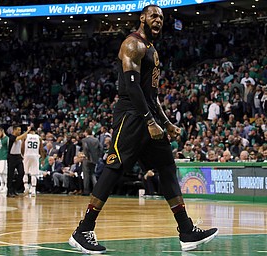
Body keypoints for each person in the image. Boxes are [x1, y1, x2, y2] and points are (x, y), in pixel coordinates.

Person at [69, 5, 218, 254]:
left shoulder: (152, 50)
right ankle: (83, 229)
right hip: (131, 115)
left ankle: (186, 230)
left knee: (167, 168)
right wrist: (150, 121)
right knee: (114, 168)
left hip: (148, 114)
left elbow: (153, 95)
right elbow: (132, 89)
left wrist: (166, 122)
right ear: (142, 18)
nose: (158, 20)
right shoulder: (132, 44)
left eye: (161, 16)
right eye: (153, 16)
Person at [7, 125, 31, 197]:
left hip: (18, 157)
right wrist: (27, 131)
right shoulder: (11, 137)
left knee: (22, 173)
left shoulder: (20, 138)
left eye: (20, 130)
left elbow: (21, 147)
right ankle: (9, 191)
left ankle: (14, 189)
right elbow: (18, 138)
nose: (19, 131)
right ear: (14, 130)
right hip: (11, 157)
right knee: (10, 175)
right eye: (18, 130)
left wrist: (22, 155)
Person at [21, 127, 44, 197]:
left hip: (27, 155)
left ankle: (26, 187)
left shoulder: (26, 136)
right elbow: (41, 148)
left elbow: (22, 146)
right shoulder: (39, 137)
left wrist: (22, 154)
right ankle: (33, 190)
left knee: (25, 172)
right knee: (34, 174)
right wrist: (42, 157)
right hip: (35, 155)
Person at [81, 128, 103, 195]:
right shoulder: (96, 140)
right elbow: (101, 148)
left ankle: (86, 191)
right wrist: (98, 156)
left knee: (86, 175)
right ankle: (96, 190)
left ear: (87, 132)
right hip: (95, 159)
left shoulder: (84, 140)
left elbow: (86, 148)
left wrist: (87, 156)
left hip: (87, 159)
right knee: (93, 174)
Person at [0, 127, 9, 194]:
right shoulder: (0, 139)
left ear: (3, 131)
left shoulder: (7, 139)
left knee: (5, 173)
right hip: (0, 158)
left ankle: (6, 186)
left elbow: (9, 149)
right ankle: (2, 185)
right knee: (0, 173)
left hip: (5, 158)